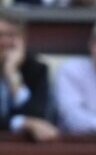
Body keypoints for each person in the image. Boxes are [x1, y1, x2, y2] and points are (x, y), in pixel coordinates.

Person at [1, 11, 58, 142]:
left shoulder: (37, 69)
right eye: (0, 35)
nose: (4, 42)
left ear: (23, 39)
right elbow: (31, 122)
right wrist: (22, 123)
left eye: (11, 35)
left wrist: (12, 73)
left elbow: (37, 117)